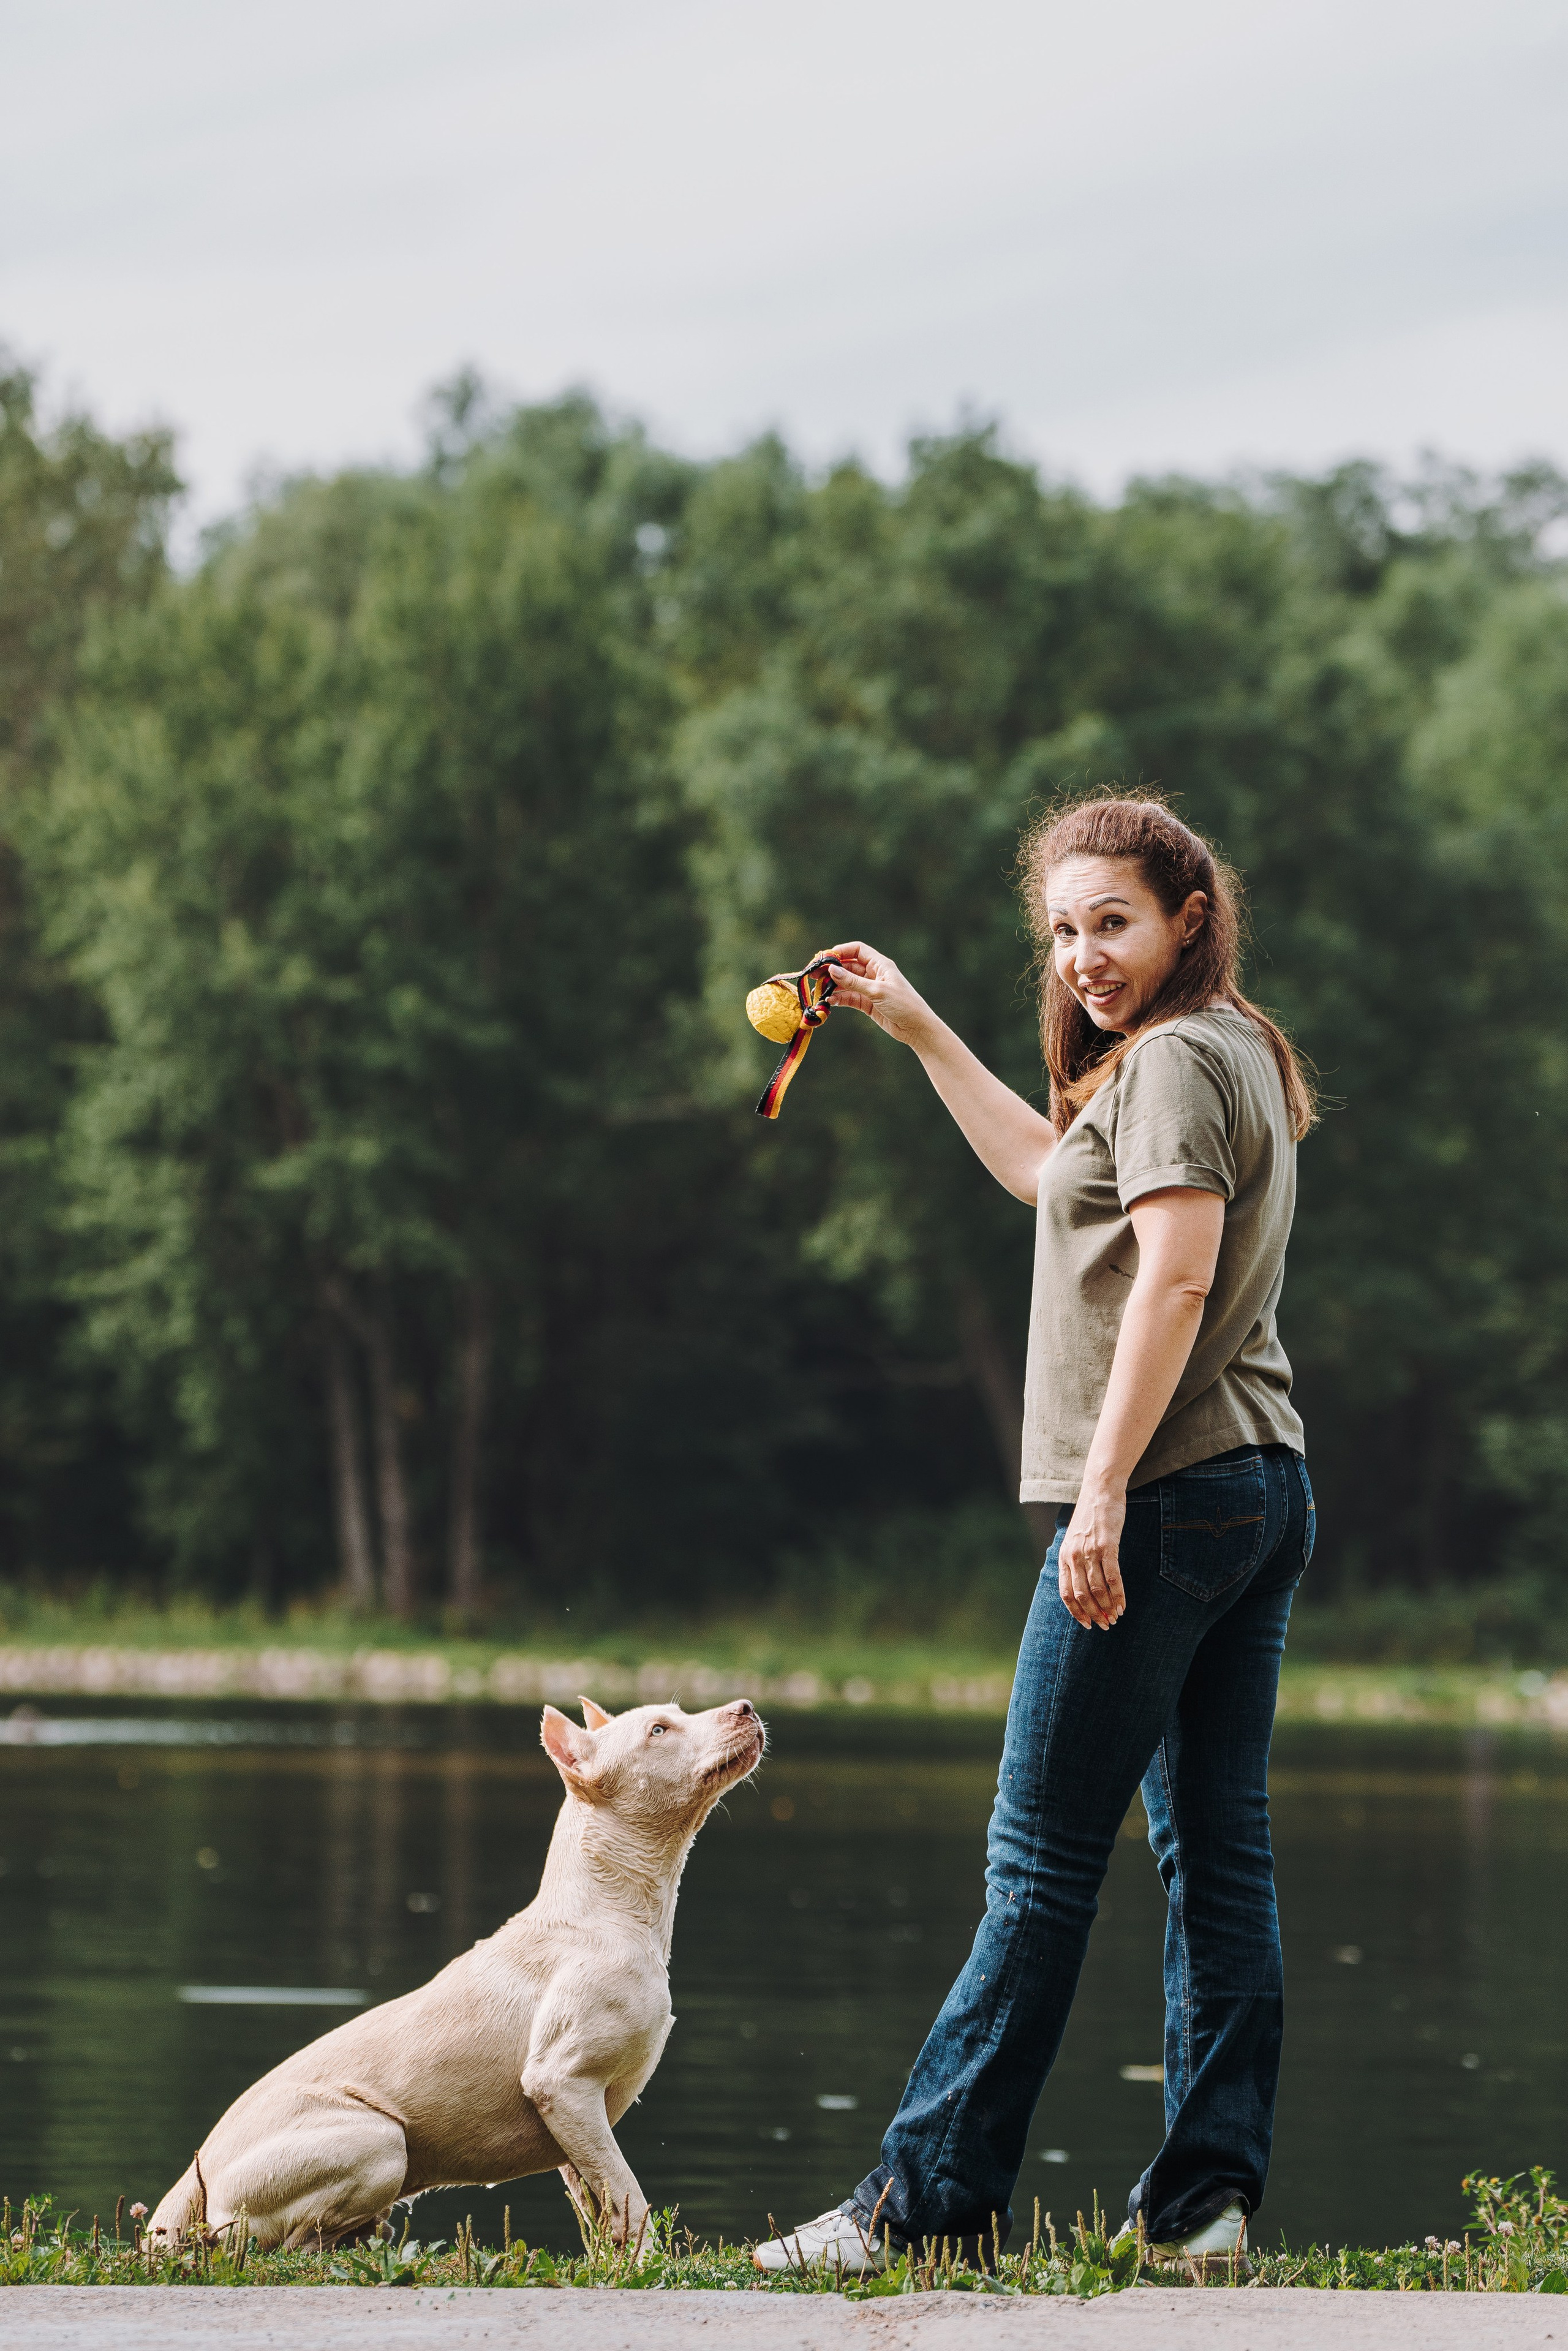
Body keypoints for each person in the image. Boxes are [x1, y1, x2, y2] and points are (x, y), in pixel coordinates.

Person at [753, 794, 1317, 2278]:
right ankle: (1200, 2206)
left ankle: (923, 2205)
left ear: (1188, 915)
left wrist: (1105, 1489)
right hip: (1254, 1484)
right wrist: (917, 1026)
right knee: (1216, 1853)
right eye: (1062, 930)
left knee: (1038, 1859)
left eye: (1111, 922)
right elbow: (1047, 1171)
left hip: (1168, 1494)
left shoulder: (1176, 1060)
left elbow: (1175, 1278)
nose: (1081, 955)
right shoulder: (1222, 1048)